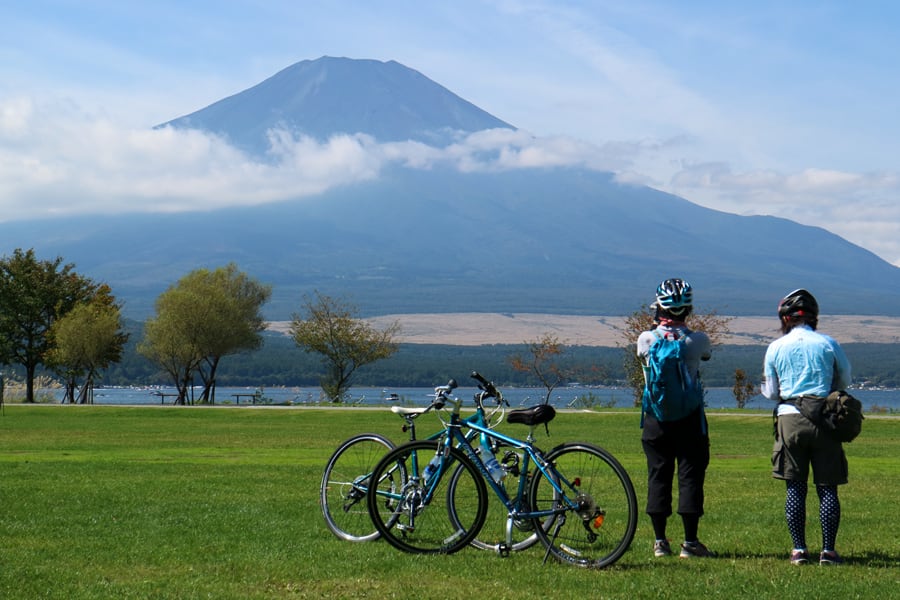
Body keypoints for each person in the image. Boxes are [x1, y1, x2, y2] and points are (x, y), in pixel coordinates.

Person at [761, 288, 852, 566]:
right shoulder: (828, 343)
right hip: (823, 417)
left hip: (789, 418)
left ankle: (799, 549)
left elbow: (771, 391)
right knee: (827, 488)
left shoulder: (775, 347)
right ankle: (828, 551)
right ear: (814, 318)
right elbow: (844, 380)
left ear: (785, 319)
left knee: (795, 488)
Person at [637, 278, 714, 558]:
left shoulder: (646, 339)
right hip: (691, 419)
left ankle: (660, 541)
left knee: (658, 474)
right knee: (690, 475)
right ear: (688, 308)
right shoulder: (698, 340)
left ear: (659, 306)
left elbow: (642, 358)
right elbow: (705, 356)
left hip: (656, 419)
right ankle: (691, 543)